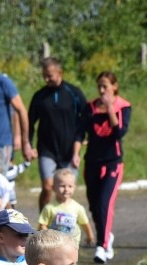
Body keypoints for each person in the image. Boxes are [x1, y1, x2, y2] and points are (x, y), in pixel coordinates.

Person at [78, 71, 131, 265]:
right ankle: (107, 235)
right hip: (92, 160)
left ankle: (102, 244)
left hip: (112, 162)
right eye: (99, 86)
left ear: (114, 87)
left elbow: (119, 132)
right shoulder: (90, 107)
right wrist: (76, 152)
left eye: (105, 86)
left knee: (104, 202)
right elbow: (80, 132)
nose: (101, 90)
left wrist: (109, 108)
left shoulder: (123, 107)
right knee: (93, 205)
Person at [28, 57, 87, 212]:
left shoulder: (74, 93)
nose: (46, 79)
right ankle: (43, 224)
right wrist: (28, 144)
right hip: (47, 149)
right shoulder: (39, 96)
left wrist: (81, 141)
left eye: (50, 75)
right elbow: (30, 122)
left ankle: (65, 227)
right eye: (44, 75)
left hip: (69, 151)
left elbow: (86, 119)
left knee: (67, 191)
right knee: (48, 187)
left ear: (60, 72)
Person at [38, 169, 94, 265]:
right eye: (62, 186)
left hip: (72, 246)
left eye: (70, 186)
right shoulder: (50, 208)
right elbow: (42, 224)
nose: (66, 189)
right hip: (55, 246)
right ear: (54, 187)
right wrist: (46, 236)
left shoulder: (77, 207)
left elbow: (84, 223)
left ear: (74, 187)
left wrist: (90, 236)